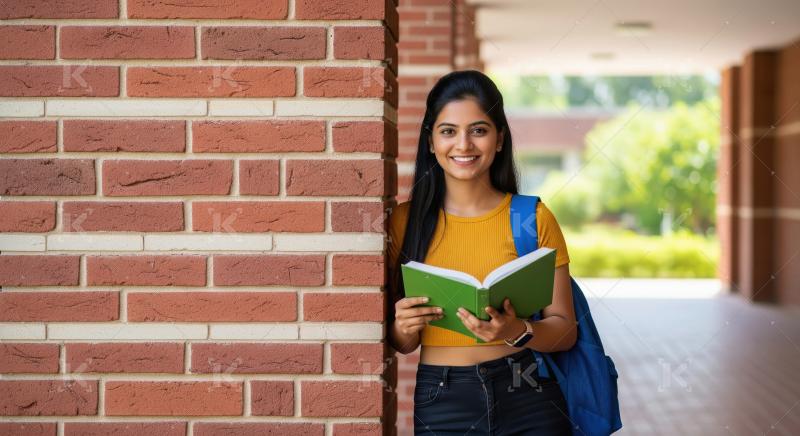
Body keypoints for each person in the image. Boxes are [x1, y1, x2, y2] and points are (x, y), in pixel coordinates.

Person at [386, 70, 577, 435]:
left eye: (478, 130)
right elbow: (403, 344)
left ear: (500, 138)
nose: (463, 145)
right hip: (442, 399)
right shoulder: (403, 223)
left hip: (528, 391)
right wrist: (402, 326)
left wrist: (517, 329)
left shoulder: (533, 218)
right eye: (448, 131)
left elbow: (565, 331)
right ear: (430, 142)